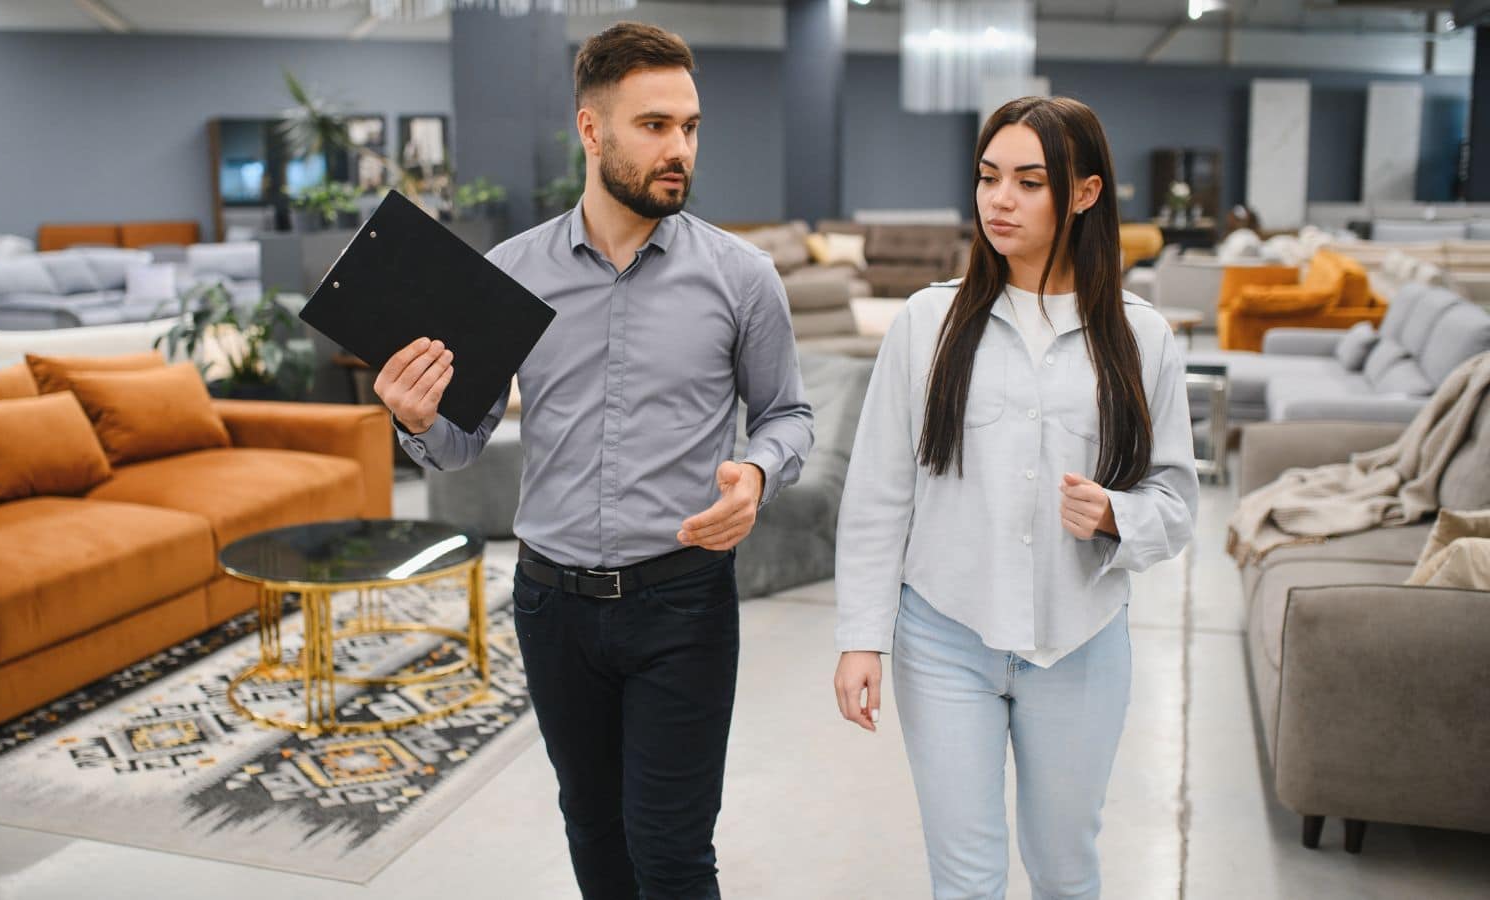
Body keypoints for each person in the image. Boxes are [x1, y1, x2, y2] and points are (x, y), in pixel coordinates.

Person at [374, 22, 813, 900]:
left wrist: (758, 472)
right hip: (552, 606)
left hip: (681, 600)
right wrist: (415, 420)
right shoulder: (508, 274)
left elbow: (788, 415)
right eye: (654, 126)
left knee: (672, 850)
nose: (679, 148)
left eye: (689, 126)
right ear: (591, 129)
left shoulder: (742, 276)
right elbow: (459, 445)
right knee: (594, 832)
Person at [832, 96, 1198, 900]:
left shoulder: (1143, 340)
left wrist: (1115, 514)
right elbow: (879, 493)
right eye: (988, 177)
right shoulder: (927, 323)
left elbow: (1175, 499)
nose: (1000, 199)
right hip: (943, 637)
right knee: (964, 877)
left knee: (1067, 870)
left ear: (1085, 193)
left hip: (1080, 642)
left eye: (1029, 182)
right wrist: (862, 635)